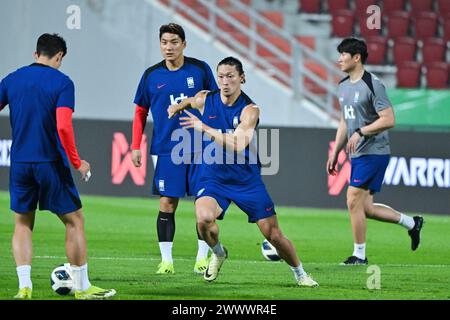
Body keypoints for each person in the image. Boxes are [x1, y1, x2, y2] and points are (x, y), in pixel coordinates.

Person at [167, 56, 318, 287]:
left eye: (230, 76)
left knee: (274, 235)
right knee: (204, 219)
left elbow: (238, 143)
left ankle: (300, 274)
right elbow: (190, 101)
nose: (225, 82)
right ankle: (218, 253)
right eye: (221, 76)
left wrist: (204, 127)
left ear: (242, 78)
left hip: (246, 180)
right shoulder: (205, 99)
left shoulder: (250, 110)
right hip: (213, 176)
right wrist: (176, 107)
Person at [0, 33, 116, 299]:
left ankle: (24, 287)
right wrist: (77, 162)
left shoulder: (12, 79)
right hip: (50, 162)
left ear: (35, 53)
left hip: (19, 162)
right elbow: (63, 126)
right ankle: (83, 287)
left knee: (22, 223)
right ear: (59, 56)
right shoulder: (62, 82)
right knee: (74, 221)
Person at [326, 38, 424, 265]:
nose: (339, 59)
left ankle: (359, 256)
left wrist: (361, 132)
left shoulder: (373, 84)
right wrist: (335, 153)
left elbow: (389, 119)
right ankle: (412, 223)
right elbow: (344, 121)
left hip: (374, 151)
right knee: (366, 208)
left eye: (343, 54)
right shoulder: (342, 86)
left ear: (356, 57)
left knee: (352, 200)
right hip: (357, 153)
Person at [131, 23, 218, 275]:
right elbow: (140, 112)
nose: (168, 47)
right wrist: (136, 145)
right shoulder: (151, 75)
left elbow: (214, 103)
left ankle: (201, 259)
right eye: (164, 42)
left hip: (202, 147)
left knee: (203, 204)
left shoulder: (200, 69)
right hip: (168, 149)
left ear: (184, 44)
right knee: (167, 203)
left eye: (174, 42)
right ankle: (166, 261)